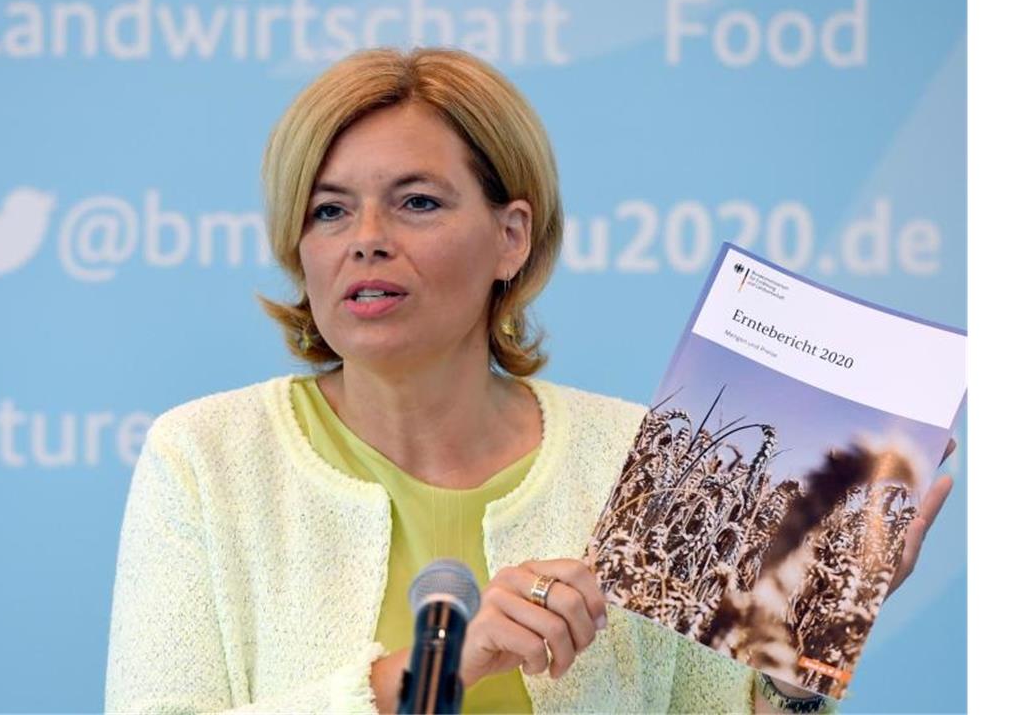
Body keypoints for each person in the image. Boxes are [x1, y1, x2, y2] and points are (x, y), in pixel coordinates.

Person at [105, 47, 952, 714]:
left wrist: (817, 630)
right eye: (329, 210)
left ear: (512, 236)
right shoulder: (206, 456)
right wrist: (435, 671)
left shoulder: (641, 455)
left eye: (417, 202)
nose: (365, 238)